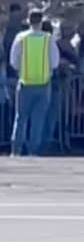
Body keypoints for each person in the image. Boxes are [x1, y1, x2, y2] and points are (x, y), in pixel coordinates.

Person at [9, 10, 58, 156]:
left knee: (21, 118)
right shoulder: (48, 39)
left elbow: (13, 60)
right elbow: (54, 62)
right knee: (38, 120)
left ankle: (16, 150)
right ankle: (33, 150)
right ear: (41, 22)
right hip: (43, 83)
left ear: (28, 21)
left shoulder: (21, 38)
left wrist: (22, 69)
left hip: (25, 82)